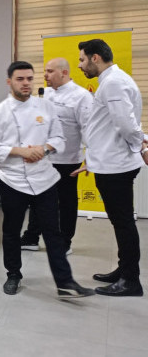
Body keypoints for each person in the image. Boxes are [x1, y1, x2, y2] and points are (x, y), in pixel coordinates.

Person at [0, 61, 93, 298]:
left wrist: (44, 149)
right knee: (12, 230)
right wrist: (20, 151)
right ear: (9, 82)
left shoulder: (46, 107)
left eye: (29, 78)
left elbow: (60, 138)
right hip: (12, 180)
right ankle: (13, 274)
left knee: (53, 231)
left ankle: (65, 282)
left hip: (44, 179)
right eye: (20, 79)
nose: (26, 83)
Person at [73, 39, 144, 296]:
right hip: (110, 163)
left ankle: (131, 281)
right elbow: (107, 126)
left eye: (82, 60)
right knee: (120, 222)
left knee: (123, 223)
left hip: (116, 166)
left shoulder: (113, 82)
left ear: (95, 58)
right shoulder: (112, 81)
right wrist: (92, 160)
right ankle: (124, 270)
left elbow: (126, 124)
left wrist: (141, 145)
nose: (80, 65)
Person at [20, 58, 92, 255]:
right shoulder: (45, 94)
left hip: (68, 160)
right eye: (45, 71)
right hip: (44, 157)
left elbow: (88, 129)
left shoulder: (81, 96)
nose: (45, 75)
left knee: (66, 202)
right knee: (37, 198)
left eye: (50, 71)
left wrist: (91, 156)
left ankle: (64, 241)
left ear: (64, 73)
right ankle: (31, 237)